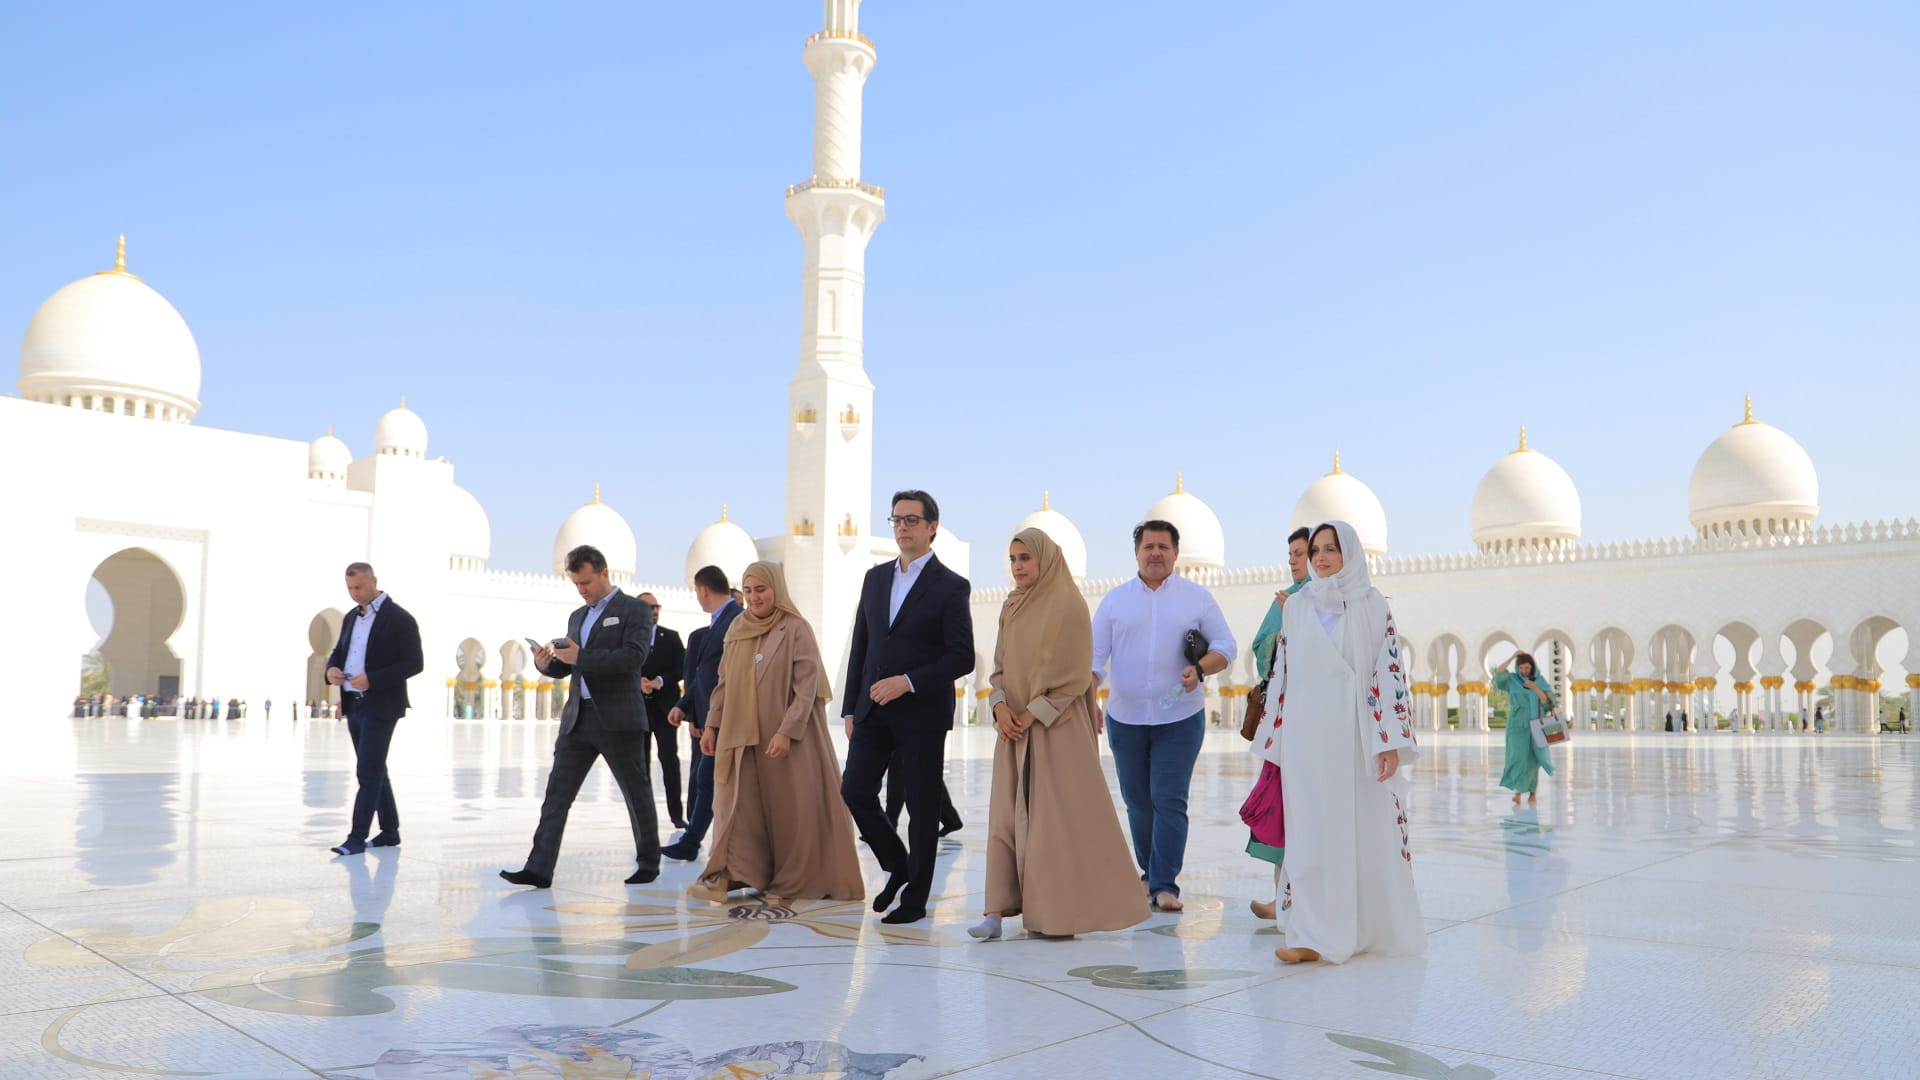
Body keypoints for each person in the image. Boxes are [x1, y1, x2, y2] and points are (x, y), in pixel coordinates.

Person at [1257, 520, 1424, 964]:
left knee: (1356, 828)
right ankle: (1311, 934)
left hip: (1353, 737)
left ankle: (1360, 927)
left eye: (1331, 549)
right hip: (1305, 738)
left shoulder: (1372, 605)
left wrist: (1387, 740)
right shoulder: (1296, 606)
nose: (1321, 557)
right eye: (1315, 550)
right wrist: (1273, 742)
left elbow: (1388, 674)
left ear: (1350, 553)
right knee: (1310, 830)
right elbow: (1283, 676)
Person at [971, 528, 1145, 941]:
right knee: (1005, 817)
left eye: (1025, 558)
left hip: (1055, 730)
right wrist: (999, 707)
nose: (1017, 567)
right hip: (1012, 730)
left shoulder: (1068, 606)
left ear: (1045, 559)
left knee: (1052, 823)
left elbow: (1073, 677)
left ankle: (1052, 912)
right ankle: (995, 910)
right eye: (1013, 559)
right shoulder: (1011, 606)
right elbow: (998, 668)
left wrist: (1030, 714)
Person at [839, 489, 976, 925]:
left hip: (921, 713)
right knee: (855, 790)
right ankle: (898, 864)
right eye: (896, 519)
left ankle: (915, 900)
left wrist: (909, 682)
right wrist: (849, 708)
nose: (902, 527)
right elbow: (862, 645)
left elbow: (962, 656)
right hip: (873, 711)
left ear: (932, 527)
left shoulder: (951, 586)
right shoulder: (875, 578)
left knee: (920, 806)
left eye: (912, 520)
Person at [691, 561, 864, 903]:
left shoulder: (795, 627)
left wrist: (787, 731)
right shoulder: (737, 627)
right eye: (749, 590)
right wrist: (712, 724)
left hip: (784, 737)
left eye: (762, 590)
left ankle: (794, 879)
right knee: (738, 805)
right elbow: (723, 682)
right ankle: (734, 874)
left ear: (777, 589)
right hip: (740, 736)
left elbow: (806, 686)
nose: (755, 598)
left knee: (789, 811)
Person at [1091, 518, 1236, 913]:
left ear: (1176, 553)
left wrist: (1201, 668)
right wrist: (1090, 696)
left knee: (1169, 800)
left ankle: (1165, 882)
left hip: (1180, 718)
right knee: (1138, 801)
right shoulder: (1115, 601)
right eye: (1148, 546)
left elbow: (1226, 645)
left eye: (1163, 547)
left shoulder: (1197, 598)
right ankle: (1149, 873)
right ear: (1137, 552)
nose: (1155, 553)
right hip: (1126, 718)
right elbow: (1094, 657)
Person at [500, 544, 660, 889]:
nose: (582, 590)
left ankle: (649, 861)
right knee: (556, 795)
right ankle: (539, 867)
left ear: (604, 573)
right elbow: (570, 664)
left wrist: (580, 655)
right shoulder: (577, 616)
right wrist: (548, 664)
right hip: (578, 719)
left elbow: (633, 658)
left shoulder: (634, 609)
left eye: (586, 582)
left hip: (619, 718)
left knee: (637, 793)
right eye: (576, 584)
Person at [323, 562, 425, 856]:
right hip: (354, 704)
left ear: (374, 582)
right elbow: (338, 653)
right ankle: (390, 831)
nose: (354, 594)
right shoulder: (350, 618)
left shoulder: (399, 618)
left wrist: (373, 679)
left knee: (367, 772)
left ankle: (356, 838)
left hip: (381, 705)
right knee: (376, 769)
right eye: (350, 588)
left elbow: (414, 663)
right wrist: (331, 670)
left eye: (359, 587)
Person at [1246, 526, 1311, 921]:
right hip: (1287, 722)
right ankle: (1282, 899)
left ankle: (1304, 901)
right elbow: (1263, 649)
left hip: (1319, 719)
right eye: (1292, 553)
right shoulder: (1290, 599)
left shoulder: (1322, 599)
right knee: (1285, 805)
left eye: (1301, 552)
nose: (1295, 559)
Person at [662, 566, 742, 863]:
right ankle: (693, 841)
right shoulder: (719, 621)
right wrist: (684, 706)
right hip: (713, 718)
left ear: (703, 590)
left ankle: (697, 842)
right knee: (707, 779)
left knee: (711, 780)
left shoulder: (736, 619)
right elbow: (705, 673)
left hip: (727, 718)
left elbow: (727, 676)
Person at [636, 591, 689, 830]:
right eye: (649, 607)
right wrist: (637, 682)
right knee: (640, 764)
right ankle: (644, 817)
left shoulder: (671, 637)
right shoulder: (628, 639)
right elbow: (619, 666)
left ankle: (677, 815)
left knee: (669, 760)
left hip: (665, 709)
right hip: (637, 709)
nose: (654, 611)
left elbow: (682, 668)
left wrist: (659, 681)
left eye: (656, 607)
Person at [1492, 651, 1555, 805]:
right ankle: (1517, 792)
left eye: (1527, 668)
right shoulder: (1512, 680)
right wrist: (1512, 656)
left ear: (1532, 667)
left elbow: (1548, 702)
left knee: (1533, 760)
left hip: (1536, 725)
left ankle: (1532, 792)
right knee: (1517, 757)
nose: (1524, 671)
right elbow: (1498, 672)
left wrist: (1535, 688)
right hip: (1517, 724)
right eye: (1521, 668)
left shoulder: (1539, 681)